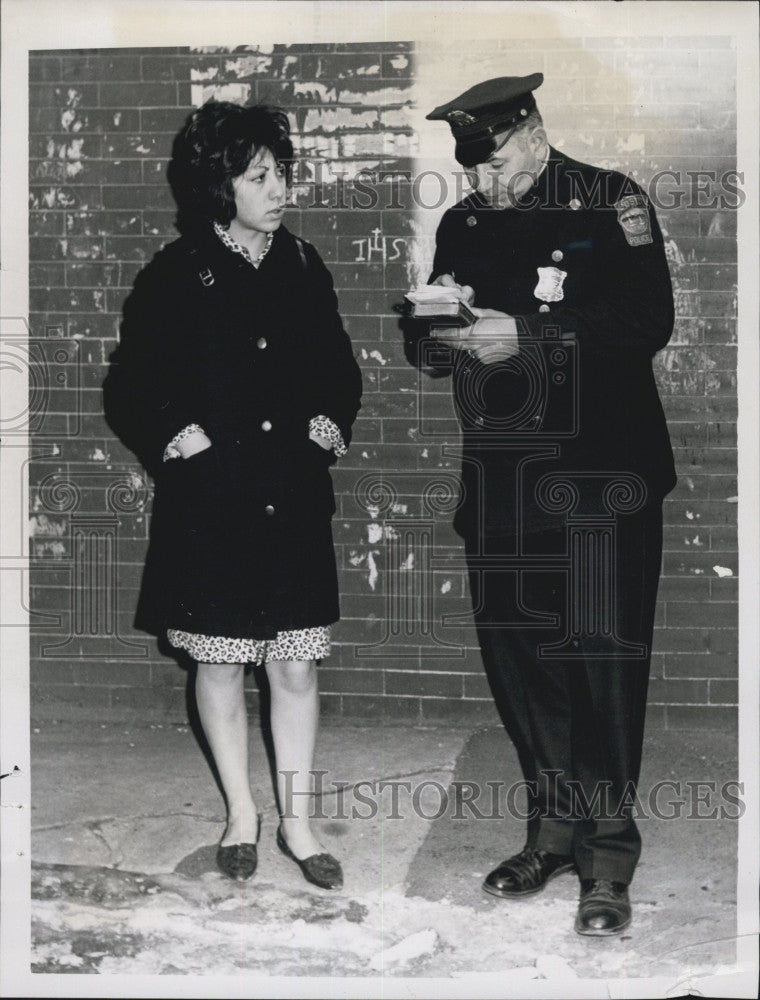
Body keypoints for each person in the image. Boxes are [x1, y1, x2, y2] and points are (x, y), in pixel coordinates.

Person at [410, 74, 676, 935]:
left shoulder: (610, 201)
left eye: (492, 164)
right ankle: (553, 831)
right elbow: (436, 338)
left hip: (602, 480)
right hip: (503, 483)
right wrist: (435, 333)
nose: (482, 185)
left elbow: (645, 321)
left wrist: (525, 334)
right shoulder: (466, 221)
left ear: (531, 132)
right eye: (472, 170)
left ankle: (607, 857)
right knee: (523, 669)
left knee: (600, 666)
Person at [103, 101, 362, 888]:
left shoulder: (304, 264)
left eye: (281, 173)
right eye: (258, 177)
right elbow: (132, 386)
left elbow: (338, 368)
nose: (278, 189)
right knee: (218, 667)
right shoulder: (174, 272)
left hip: (289, 495)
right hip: (213, 506)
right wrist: (181, 439)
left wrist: (328, 421)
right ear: (221, 188)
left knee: (294, 668)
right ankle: (241, 816)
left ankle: (298, 823)